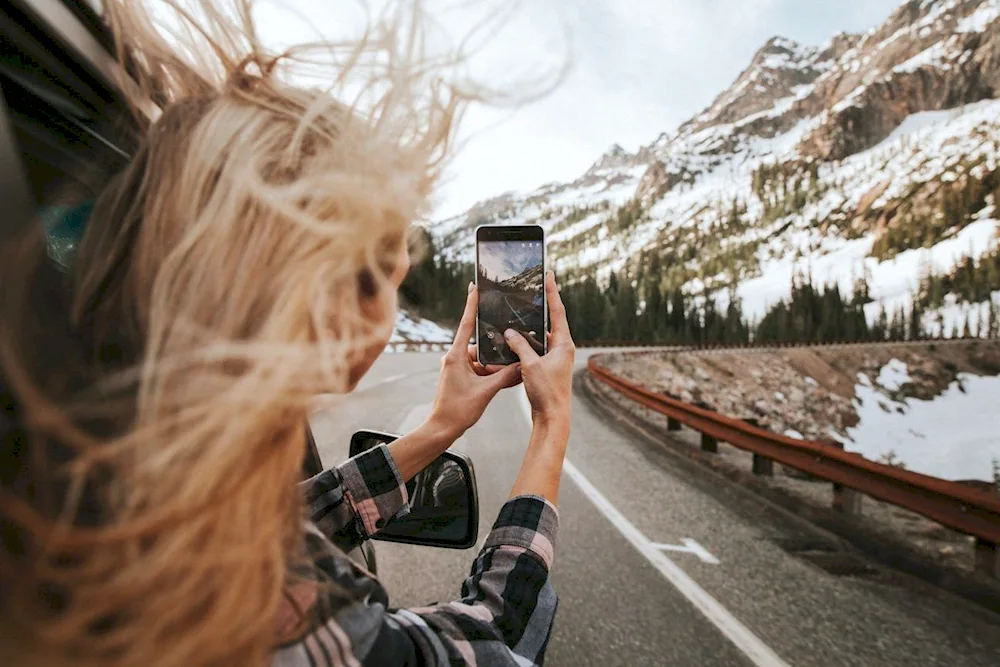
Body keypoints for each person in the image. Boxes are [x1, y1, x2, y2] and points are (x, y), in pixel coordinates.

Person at [0, 1, 574, 666]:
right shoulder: (283, 618)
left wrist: (437, 429)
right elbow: (494, 631)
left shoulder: (104, 499)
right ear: (346, 322)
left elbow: (286, 523)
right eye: (392, 270)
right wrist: (551, 420)